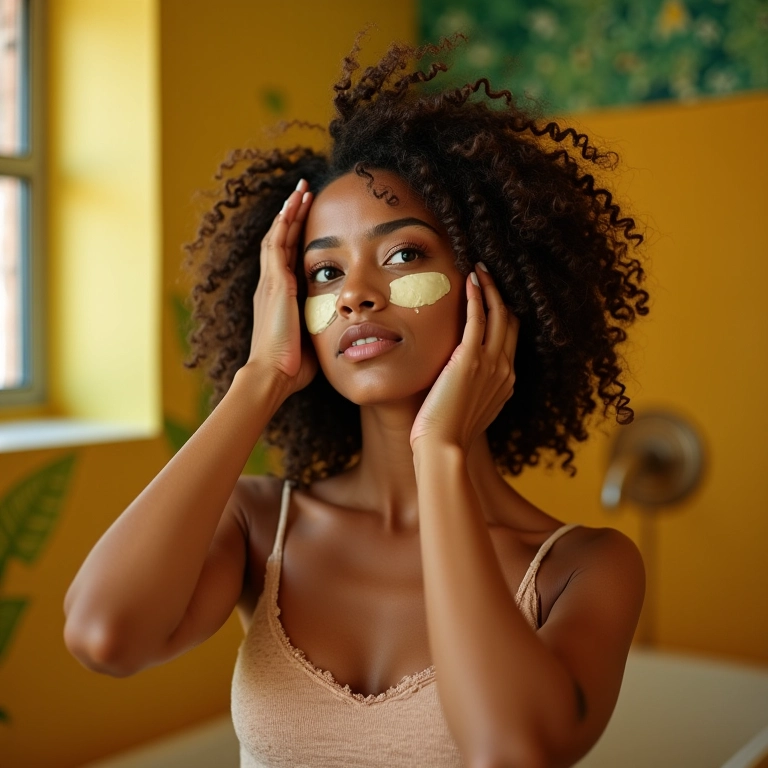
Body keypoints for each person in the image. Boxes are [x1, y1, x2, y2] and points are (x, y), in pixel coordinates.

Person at [64, 35, 647, 768]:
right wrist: (259, 380)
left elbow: (511, 751)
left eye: (403, 254)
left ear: (493, 281)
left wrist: (439, 456)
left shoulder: (585, 568)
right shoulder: (258, 525)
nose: (356, 296)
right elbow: (103, 637)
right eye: (323, 272)